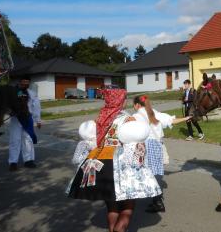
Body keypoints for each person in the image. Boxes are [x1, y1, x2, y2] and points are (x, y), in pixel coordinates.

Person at [67, 89, 160, 232]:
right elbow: (135, 140)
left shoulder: (101, 117)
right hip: (121, 165)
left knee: (112, 207)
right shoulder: (127, 118)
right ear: (121, 101)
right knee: (128, 207)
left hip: (100, 164)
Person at [132, 95, 190, 213]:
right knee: (153, 174)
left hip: (145, 146)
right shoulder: (154, 113)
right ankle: (156, 200)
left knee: (142, 174)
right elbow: (171, 120)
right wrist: (186, 118)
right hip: (157, 146)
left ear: (137, 105)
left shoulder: (135, 116)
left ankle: (156, 201)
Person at [8, 75, 41, 171]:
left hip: (27, 119)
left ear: (29, 83)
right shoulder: (13, 92)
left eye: (27, 82)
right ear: (20, 82)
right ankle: (13, 162)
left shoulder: (32, 93)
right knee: (15, 140)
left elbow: (36, 107)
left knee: (28, 140)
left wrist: (38, 120)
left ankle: (29, 160)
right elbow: (7, 104)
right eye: (23, 81)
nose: (25, 83)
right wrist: (9, 111)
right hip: (16, 119)